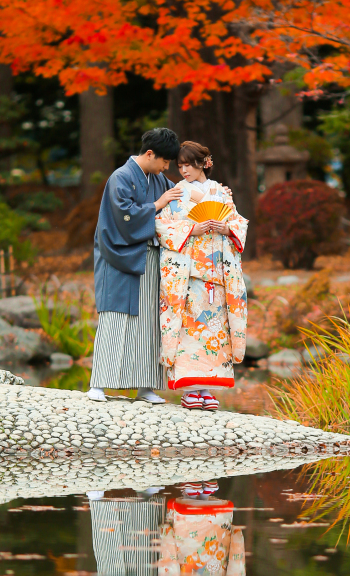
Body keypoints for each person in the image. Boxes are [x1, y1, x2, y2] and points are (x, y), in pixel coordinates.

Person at [88, 127, 183, 404]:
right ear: (150, 153)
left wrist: (210, 189)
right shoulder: (121, 177)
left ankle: (146, 386)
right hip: (119, 257)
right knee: (115, 318)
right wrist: (156, 205)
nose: (167, 167)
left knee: (149, 321)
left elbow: (181, 198)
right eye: (165, 161)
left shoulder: (158, 178)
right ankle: (99, 383)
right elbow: (124, 216)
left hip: (149, 258)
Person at [155, 140, 248, 412]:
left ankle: (206, 389)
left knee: (215, 333)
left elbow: (238, 222)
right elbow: (162, 225)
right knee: (189, 332)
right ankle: (189, 390)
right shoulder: (176, 193)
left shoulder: (221, 192)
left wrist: (226, 228)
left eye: (189, 165)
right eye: (180, 166)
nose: (184, 171)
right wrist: (190, 230)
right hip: (189, 275)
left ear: (204, 163)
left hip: (217, 275)